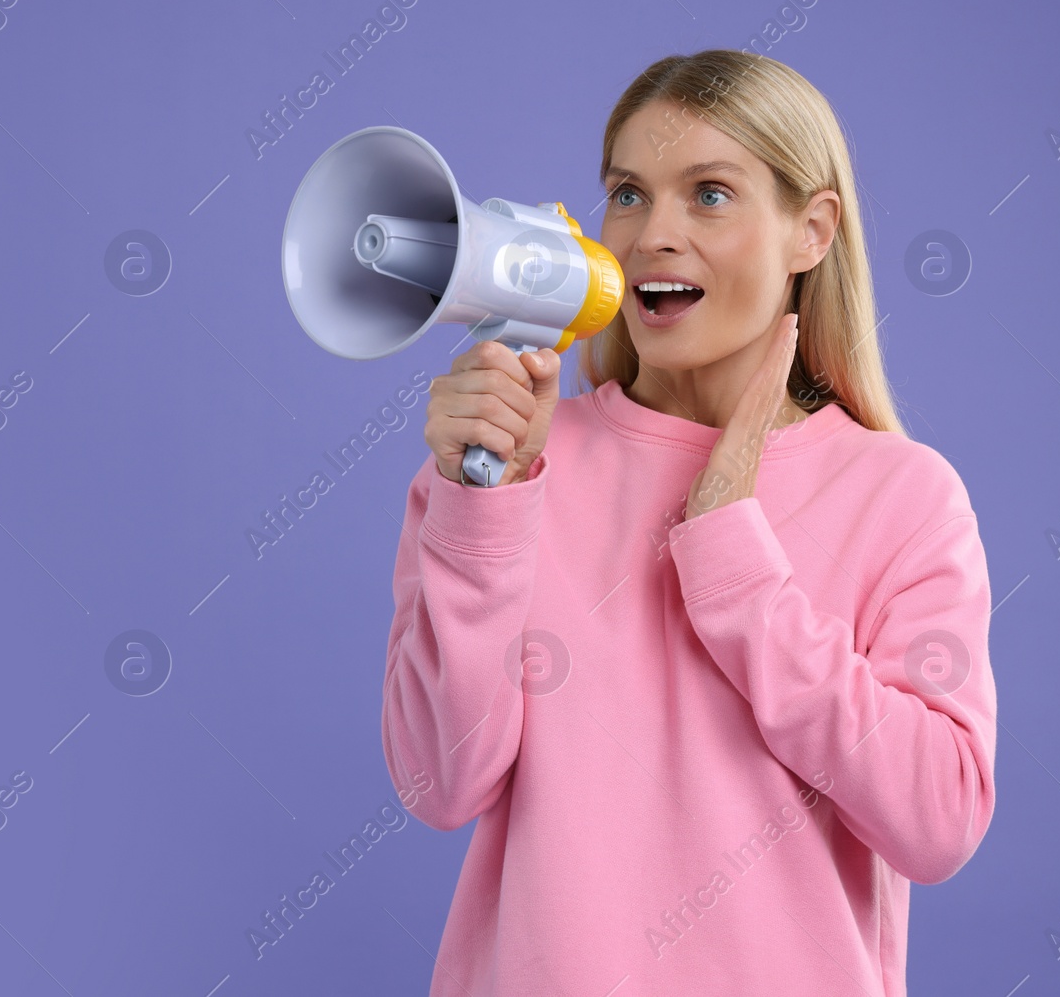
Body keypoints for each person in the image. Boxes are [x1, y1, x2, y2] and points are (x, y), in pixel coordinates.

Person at [381, 48, 996, 996]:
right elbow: (437, 785)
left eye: (709, 194)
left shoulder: (903, 495)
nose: (652, 233)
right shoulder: (505, 470)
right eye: (628, 193)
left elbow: (939, 820)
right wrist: (484, 507)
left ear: (813, 230)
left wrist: (735, 565)